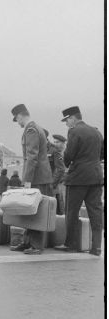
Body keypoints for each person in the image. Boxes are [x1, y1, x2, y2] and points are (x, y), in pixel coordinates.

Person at [54, 106, 104, 256]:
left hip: (78, 179)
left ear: (72, 118)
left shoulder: (74, 131)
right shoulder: (97, 132)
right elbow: (102, 154)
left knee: (72, 212)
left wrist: (67, 159)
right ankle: (96, 247)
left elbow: (69, 156)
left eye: (67, 121)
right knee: (95, 213)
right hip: (96, 177)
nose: (66, 124)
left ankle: (70, 244)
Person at [10, 104, 53, 255]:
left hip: (37, 177)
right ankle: (27, 241)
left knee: (36, 211)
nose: (18, 123)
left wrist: (27, 180)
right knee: (29, 209)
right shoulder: (36, 128)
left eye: (17, 119)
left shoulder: (31, 129)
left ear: (20, 116)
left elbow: (32, 156)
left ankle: (36, 245)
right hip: (40, 176)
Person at [49, 134, 67, 214]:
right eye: (54, 142)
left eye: (58, 142)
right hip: (58, 182)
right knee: (59, 202)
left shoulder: (64, 154)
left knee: (62, 202)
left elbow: (62, 169)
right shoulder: (57, 153)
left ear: (63, 144)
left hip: (62, 182)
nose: (55, 144)